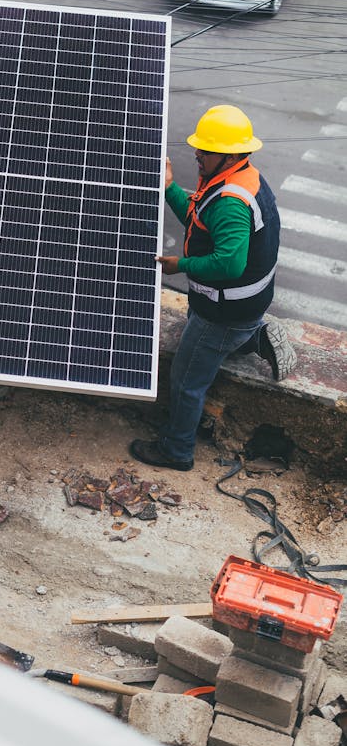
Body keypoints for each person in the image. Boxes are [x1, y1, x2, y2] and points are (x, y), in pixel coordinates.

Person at [130, 104, 297, 473]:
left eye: (206, 150)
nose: (197, 154)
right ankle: (256, 336)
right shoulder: (243, 178)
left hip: (223, 312)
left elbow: (228, 264)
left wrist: (181, 265)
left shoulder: (231, 202)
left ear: (231, 154)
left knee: (187, 381)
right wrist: (171, 188)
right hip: (240, 305)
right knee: (206, 337)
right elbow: (198, 220)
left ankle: (176, 450)